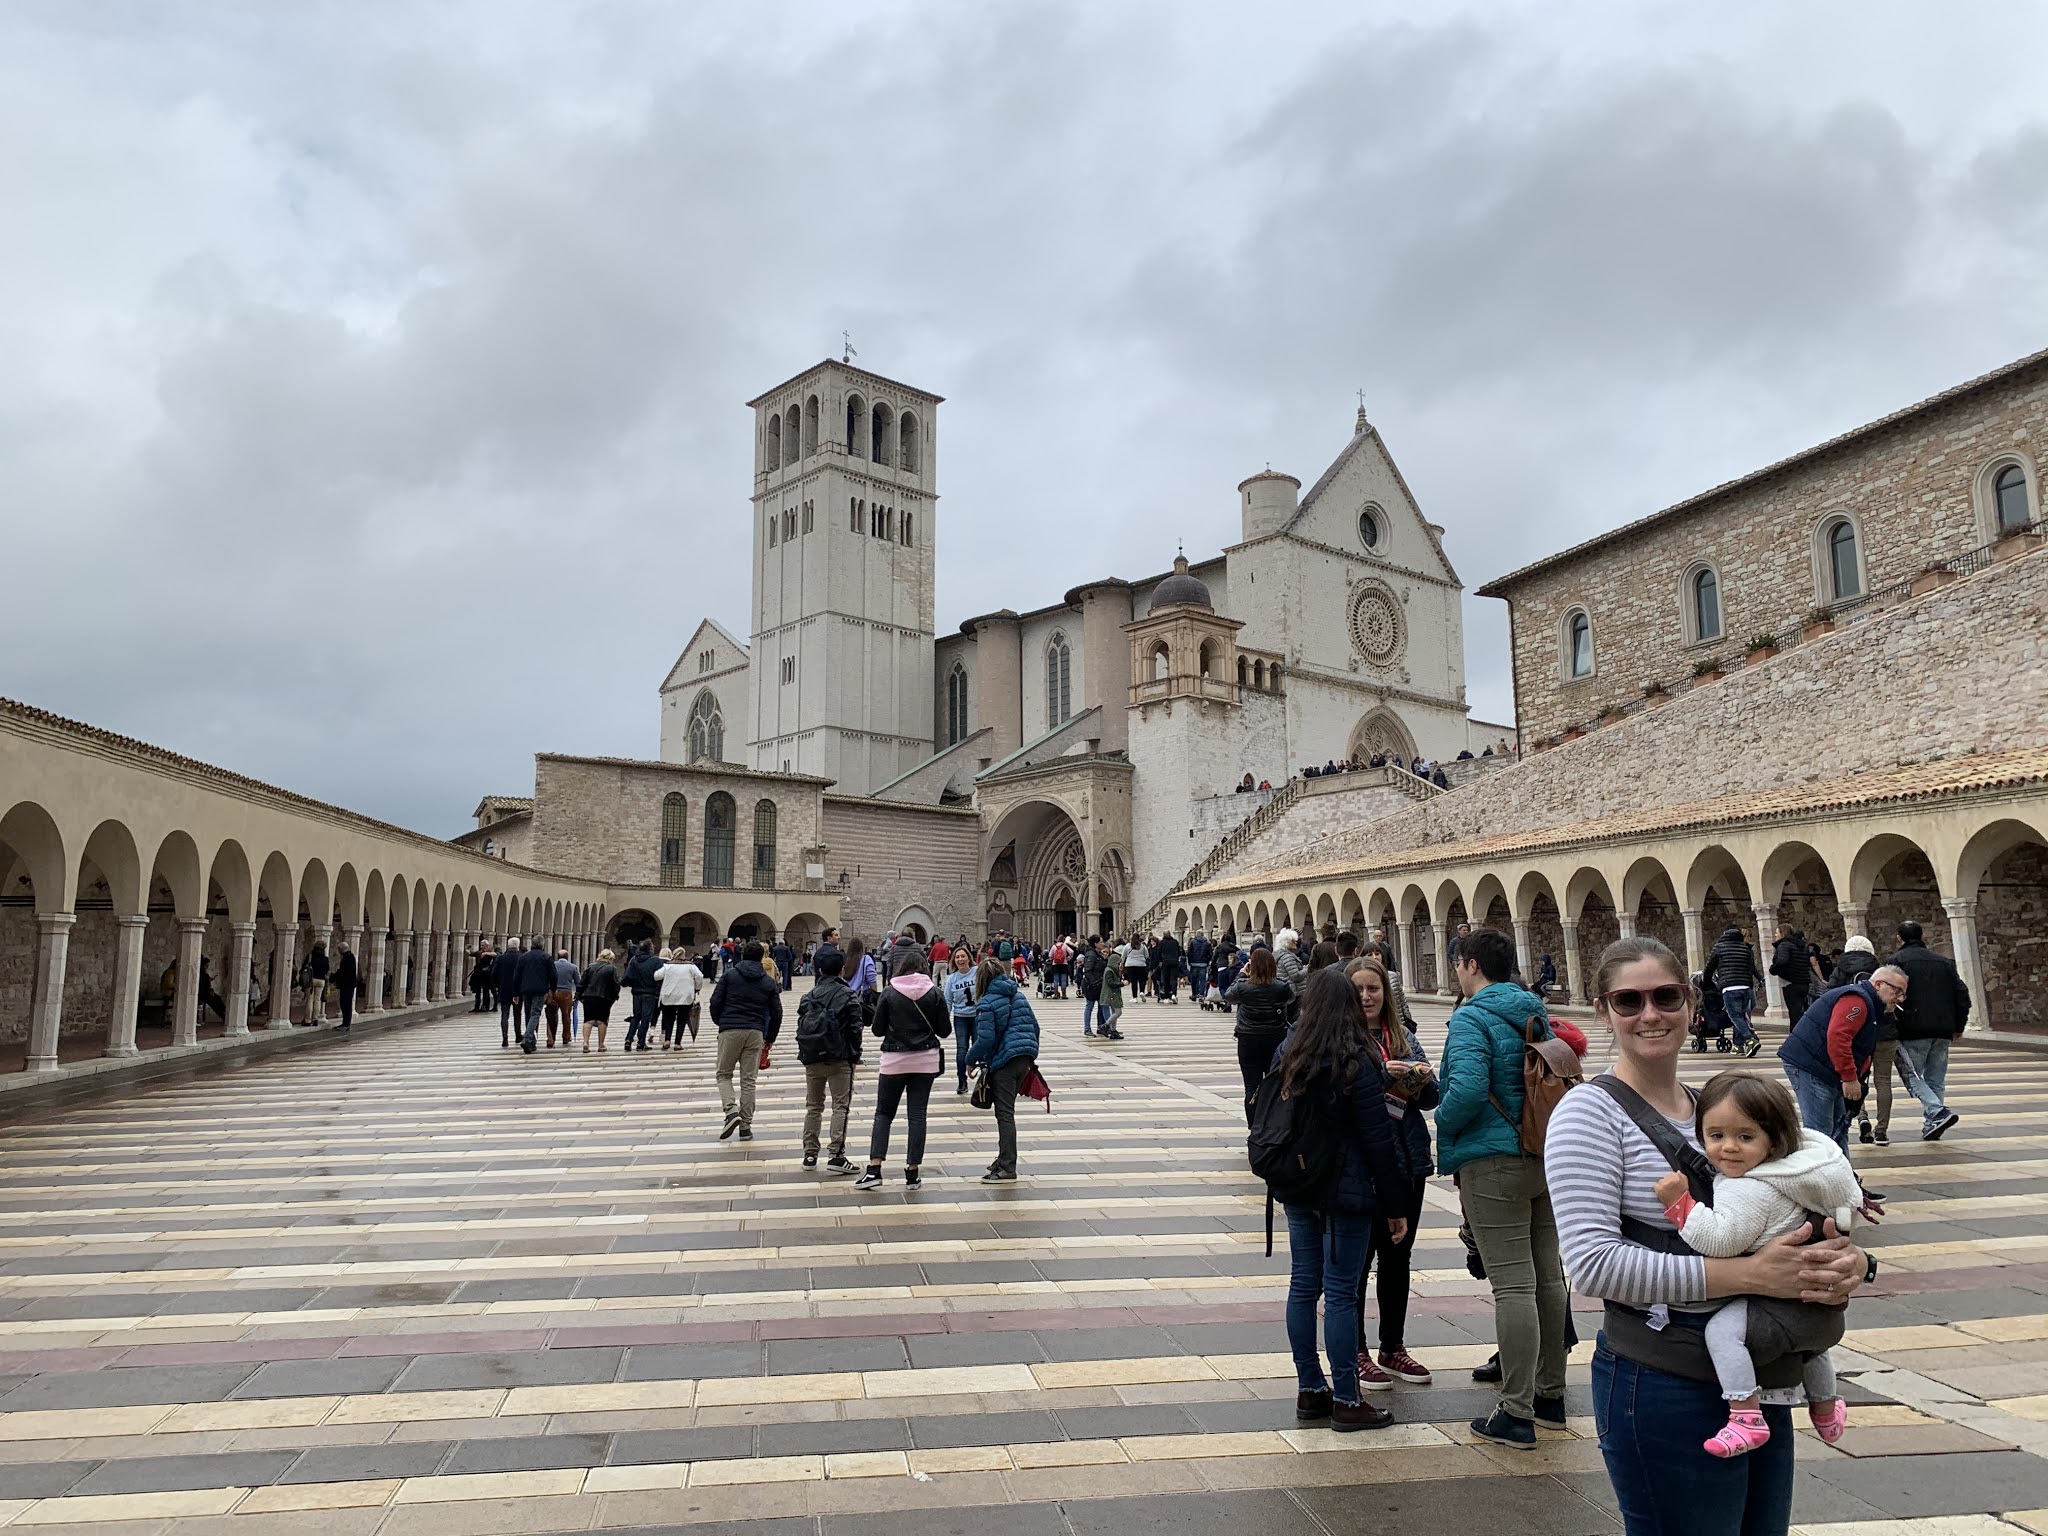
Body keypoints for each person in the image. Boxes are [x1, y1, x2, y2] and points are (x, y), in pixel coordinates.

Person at [1547, 936, 1872, 1536]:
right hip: (1662, 1378)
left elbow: (1784, 1210)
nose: (1650, 1014)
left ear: (1692, 1002)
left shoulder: (1715, 1109)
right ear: (1602, 1010)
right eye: (1628, 1000)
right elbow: (1591, 1265)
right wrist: (1750, 1275)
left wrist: (1845, 1262)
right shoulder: (1588, 1114)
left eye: (1666, 996)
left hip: (1758, 1379)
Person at [1659, 1072, 1859, 1459]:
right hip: (1820, 1309)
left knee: (1722, 1332)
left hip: (1780, 1306)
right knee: (1812, 1348)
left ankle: (1746, 1416)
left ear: (1773, 1141)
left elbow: (1720, 1241)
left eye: (1745, 1137)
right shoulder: (1796, 1173)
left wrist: (1679, 1204)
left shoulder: (1748, 1186)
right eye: (1716, 1136)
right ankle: (1824, 1407)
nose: (1728, 1149)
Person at [1434, 926, 1570, 1449]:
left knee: (1512, 1285)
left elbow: (1466, 1089)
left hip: (1494, 1162)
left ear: (1469, 963)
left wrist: (1442, 1120)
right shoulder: (1533, 1012)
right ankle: (1550, 1395)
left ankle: (1516, 1411)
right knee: (1547, 1278)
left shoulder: (1471, 1017)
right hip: (1542, 1154)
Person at [1272, 967, 1410, 1432]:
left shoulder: (1289, 1049)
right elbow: (1378, 1140)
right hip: (1346, 1192)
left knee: (1303, 1286)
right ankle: (1348, 1399)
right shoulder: (1359, 1057)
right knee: (1342, 1294)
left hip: (1298, 1185)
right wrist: (1394, 1205)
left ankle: (1310, 1389)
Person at [1345, 956, 1435, 1391]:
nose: (1367, 996)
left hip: (1407, 1158)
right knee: (1360, 1260)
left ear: (1386, 994)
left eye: (1374, 989)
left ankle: (1392, 1346)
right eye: (1359, 989)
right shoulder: (1342, 1039)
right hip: (1362, 1163)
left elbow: (1432, 1097)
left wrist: (1417, 1077)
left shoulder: (1404, 1037)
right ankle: (1356, 1350)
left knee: (1399, 1255)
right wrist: (1381, 1075)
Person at [1777, 963, 1907, 1153]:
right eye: (1897, 991)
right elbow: (1838, 1038)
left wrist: (1857, 1078)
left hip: (1824, 1067)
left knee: (1839, 1128)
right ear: (1879, 984)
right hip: (1812, 1065)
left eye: (1903, 993)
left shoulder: (1868, 1002)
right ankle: (1821, 1178)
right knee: (1821, 1133)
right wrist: (1849, 1078)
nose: (1900, 998)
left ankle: (1843, 1178)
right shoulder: (1857, 1001)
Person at [854, 953, 952, 1190]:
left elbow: (877, 1030)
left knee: (883, 1114)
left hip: (894, 1061)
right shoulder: (935, 993)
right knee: (917, 1116)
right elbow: (945, 1031)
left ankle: (875, 1169)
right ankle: (912, 1173)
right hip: (925, 1061)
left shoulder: (889, 992)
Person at [1886, 921, 1969, 1140]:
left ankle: (1936, 1111)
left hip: (1912, 1028)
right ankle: (1933, 1122)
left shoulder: (1897, 962)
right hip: (1943, 1027)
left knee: (1910, 1074)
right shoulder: (1943, 963)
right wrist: (1959, 1025)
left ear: (1899, 938)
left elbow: (1889, 996)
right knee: (1936, 1077)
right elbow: (1962, 995)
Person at [966, 956, 1040, 1183]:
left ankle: (1008, 1166)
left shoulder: (987, 1002)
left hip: (1006, 1061)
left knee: (1005, 1115)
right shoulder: (1018, 995)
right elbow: (1035, 1027)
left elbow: (985, 1038)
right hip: (1023, 1059)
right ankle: (1003, 1158)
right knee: (1006, 1112)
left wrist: (970, 1060)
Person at [794, 947, 862, 1173]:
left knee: (813, 1106)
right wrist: (855, 1054)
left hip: (812, 1056)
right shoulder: (848, 994)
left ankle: (810, 1155)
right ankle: (836, 1155)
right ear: (842, 970)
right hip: (839, 1057)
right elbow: (855, 1027)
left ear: (820, 970)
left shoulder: (809, 996)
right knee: (840, 1106)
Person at [708, 942, 781, 1140]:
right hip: (755, 1031)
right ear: (761, 957)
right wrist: (770, 1038)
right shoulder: (767, 982)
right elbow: (777, 1013)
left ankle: (731, 1111)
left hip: (730, 1029)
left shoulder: (730, 976)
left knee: (723, 1074)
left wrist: (721, 1022)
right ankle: (746, 1127)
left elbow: (715, 1002)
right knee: (749, 1081)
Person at [1226, 946, 1293, 1123]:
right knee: (1275, 1085)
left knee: (1251, 1087)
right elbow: (1291, 997)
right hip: (1275, 1040)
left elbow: (1228, 995)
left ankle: (1254, 1127)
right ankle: (1273, 1126)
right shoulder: (1280, 986)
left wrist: (1241, 974)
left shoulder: (1243, 987)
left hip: (1248, 1040)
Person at [1703, 925, 1763, 1057]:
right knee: (1743, 1015)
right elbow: (1751, 967)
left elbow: (1709, 967)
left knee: (1735, 1016)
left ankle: (1749, 1039)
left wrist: (1706, 981)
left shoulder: (1719, 948)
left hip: (1730, 987)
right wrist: (1758, 979)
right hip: (1746, 986)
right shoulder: (1746, 949)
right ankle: (1739, 1045)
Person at [943, 945, 979, 1093]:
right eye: (957, 957)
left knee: (980, 1047)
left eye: (963, 956)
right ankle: (962, 1081)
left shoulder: (977, 972)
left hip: (978, 1016)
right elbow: (947, 1000)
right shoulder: (952, 979)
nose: (960, 959)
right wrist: (944, 1019)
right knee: (962, 1049)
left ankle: (984, 1079)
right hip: (961, 1018)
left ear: (969, 958)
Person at [618, 940, 663, 1052]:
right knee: (645, 1018)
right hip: (650, 993)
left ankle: (628, 1040)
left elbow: (627, 976)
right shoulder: (656, 961)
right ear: (650, 949)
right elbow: (660, 978)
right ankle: (641, 1043)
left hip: (637, 993)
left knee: (636, 1017)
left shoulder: (634, 960)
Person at [657, 947, 706, 1049]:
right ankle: (677, 1043)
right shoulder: (690, 966)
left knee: (669, 1018)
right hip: (685, 996)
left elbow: (656, 976)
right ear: (683, 955)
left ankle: (667, 1040)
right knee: (682, 1019)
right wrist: (697, 988)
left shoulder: (668, 966)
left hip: (669, 995)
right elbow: (700, 976)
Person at [514, 936, 554, 1053]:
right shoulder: (546, 957)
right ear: (542, 945)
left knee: (528, 1014)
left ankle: (531, 1042)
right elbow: (553, 975)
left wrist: (515, 992)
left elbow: (517, 976)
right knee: (535, 1013)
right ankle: (527, 1039)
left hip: (526, 990)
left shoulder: (524, 957)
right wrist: (553, 989)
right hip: (540, 990)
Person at [1769, 927, 1814, 1030]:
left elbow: (1782, 961)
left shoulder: (1784, 945)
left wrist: (1773, 969)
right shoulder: (1802, 946)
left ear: (1782, 933)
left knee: (1795, 1013)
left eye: (1777, 933)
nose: (1775, 935)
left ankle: (1797, 1038)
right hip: (1803, 981)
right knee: (1801, 1011)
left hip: (1791, 982)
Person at [577, 949, 621, 1052]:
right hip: (604, 998)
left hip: (589, 997)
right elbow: (615, 985)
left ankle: (586, 1042)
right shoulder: (612, 969)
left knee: (588, 1020)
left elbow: (582, 982)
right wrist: (614, 997)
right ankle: (601, 1045)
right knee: (602, 1021)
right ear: (610, 958)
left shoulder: (590, 966)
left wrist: (579, 995)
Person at [546, 947, 579, 1048]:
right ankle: (566, 1037)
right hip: (566, 993)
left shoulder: (552, 965)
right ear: (567, 957)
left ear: (557, 957)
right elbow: (578, 982)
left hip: (553, 992)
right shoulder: (573, 967)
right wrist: (578, 995)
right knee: (566, 1016)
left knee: (551, 1016)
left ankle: (550, 1039)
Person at [493, 941, 523, 1047]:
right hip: (518, 991)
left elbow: (494, 974)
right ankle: (518, 1035)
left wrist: (499, 985)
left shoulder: (501, 958)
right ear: (517, 946)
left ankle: (505, 1038)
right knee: (517, 1014)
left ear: (508, 946)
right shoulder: (522, 957)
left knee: (504, 1014)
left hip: (504, 990)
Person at [1079, 936, 1109, 1035]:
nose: (1103, 943)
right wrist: (1094, 983)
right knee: (1089, 1006)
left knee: (1104, 1006)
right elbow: (1088, 970)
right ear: (1095, 944)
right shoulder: (1091, 955)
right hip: (1092, 986)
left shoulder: (1097, 954)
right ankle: (1087, 1028)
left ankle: (1104, 1027)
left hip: (1100, 984)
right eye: (1100, 942)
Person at [1095, 948, 1126, 1039]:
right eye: (1118, 963)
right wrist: (1122, 984)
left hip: (1113, 994)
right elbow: (1111, 983)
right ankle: (1105, 1025)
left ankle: (1113, 1030)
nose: (1119, 965)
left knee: (1114, 1012)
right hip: (1110, 995)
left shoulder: (1113, 970)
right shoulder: (1109, 971)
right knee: (1118, 1012)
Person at [301, 939, 330, 1025]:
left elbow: (304, 967)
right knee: (317, 1000)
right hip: (321, 980)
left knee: (309, 999)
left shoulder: (310, 956)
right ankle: (315, 1019)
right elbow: (326, 969)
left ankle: (307, 1020)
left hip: (311, 979)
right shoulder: (325, 958)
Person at [332, 942, 357, 1033]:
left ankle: (346, 1024)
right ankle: (345, 1023)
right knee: (344, 1003)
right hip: (347, 985)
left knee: (346, 1004)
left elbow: (345, 972)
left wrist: (335, 977)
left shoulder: (348, 958)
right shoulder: (349, 957)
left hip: (347, 985)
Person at [1153, 929, 1184, 1002]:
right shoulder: (1175, 942)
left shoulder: (1162, 942)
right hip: (1174, 962)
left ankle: (1166, 996)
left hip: (1165, 962)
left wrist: (1161, 960)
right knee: (1173, 979)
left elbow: (1159, 953)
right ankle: (1173, 994)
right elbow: (1179, 952)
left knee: (1166, 979)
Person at [1274, 928, 1306, 994]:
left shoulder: (1280, 954)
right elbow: (1296, 976)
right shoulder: (1288, 957)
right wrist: (1306, 969)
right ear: (1286, 942)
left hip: (1288, 989)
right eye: (1293, 941)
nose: (1296, 942)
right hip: (1294, 991)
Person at [1122, 933, 1149, 1006]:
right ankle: (1142, 992)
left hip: (1130, 965)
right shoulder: (1142, 946)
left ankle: (1134, 997)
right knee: (1142, 980)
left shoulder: (1127, 946)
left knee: (1133, 981)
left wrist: (1121, 963)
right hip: (1141, 965)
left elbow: (1123, 956)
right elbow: (1147, 956)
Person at [1188, 928, 1214, 1004]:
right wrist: (1207, 961)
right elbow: (1210, 953)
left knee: (1194, 980)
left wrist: (1189, 961)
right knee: (1202, 980)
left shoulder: (1192, 942)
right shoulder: (1207, 942)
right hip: (1203, 964)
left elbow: (1189, 952)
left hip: (1194, 963)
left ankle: (1194, 994)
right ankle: (1201, 995)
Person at [469, 944, 496, 1014]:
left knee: (485, 991)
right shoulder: (479, 953)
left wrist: (486, 953)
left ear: (487, 946)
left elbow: (496, 954)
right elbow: (470, 953)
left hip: (486, 975)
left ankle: (485, 1006)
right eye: (481, 945)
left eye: (483, 945)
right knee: (477, 991)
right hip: (478, 974)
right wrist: (466, 949)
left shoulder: (489, 953)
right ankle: (476, 1007)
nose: (482, 947)